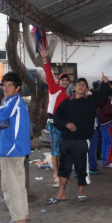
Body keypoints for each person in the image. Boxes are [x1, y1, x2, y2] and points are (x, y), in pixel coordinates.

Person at [47, 76, 110, 205]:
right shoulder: (66, 103)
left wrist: (105, 83)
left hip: (82, 140)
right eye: (79, 84)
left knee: (81, 168)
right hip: (66, 140)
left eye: (84, 85)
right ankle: (61, 193)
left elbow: (102, 95)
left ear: (86, 89)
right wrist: (66, 124)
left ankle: (80, 193)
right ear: (74, 87)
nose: (81, 86)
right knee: (64, 167)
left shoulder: (90, 102)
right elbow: (57, 118)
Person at [0, 73, 31, 223]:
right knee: (18, 184)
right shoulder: (13, 101)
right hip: (15, 148)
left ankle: (18, 217)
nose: (6, 88)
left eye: (10, 85)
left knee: (10, 185)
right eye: (4, 85)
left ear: (17, 88)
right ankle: (23, 213)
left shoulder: (14, 102)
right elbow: (0, 114)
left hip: (11, 149)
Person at [39, 45, 71, 188]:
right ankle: (55, 173)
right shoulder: (54, 88)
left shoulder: (67, 95)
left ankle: (60, 172)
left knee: (61, 149)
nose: (65, 81)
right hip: (53, 124)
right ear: (59, 81)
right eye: (62, 79)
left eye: (67, 80)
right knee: (55, 150)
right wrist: (45, 58)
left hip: (62, 124)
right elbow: (48, 74)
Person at [98, 88, 112, 168]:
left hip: (101, 123)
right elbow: (107, 111)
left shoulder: (100, 99)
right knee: (111, 142)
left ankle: (105, 161)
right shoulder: (107, 100)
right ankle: (107, 162)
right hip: (107, 123)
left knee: (105, 142)